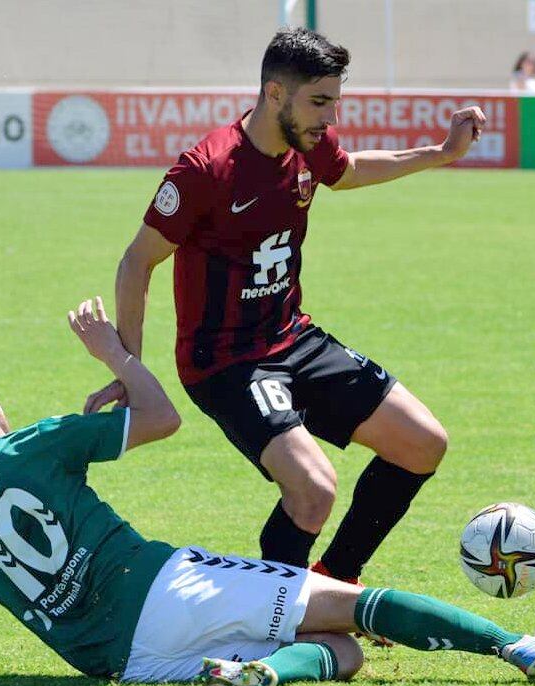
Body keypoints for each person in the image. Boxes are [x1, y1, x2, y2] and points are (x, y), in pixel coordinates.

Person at [0, 298, 535, 686]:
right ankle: (516, 646)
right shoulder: (36, 442)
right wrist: (116, 356)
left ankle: (260, 673)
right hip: (164, 589)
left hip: (113, 662)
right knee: (349, 604)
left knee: (341, 656)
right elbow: (160, 418)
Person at [83, 27, 487, 586]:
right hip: (225, 362)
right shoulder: (205, 170)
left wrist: (442, 154)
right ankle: (270, 615)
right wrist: (129, 370)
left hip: (292, 337)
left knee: (422, 444)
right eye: (319, 102)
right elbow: (136, 263)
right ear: (275, 94)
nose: (329, 119)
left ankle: (337, 579)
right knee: (314, 488)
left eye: (334, 103)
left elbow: (348, 172)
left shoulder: (308, 144)